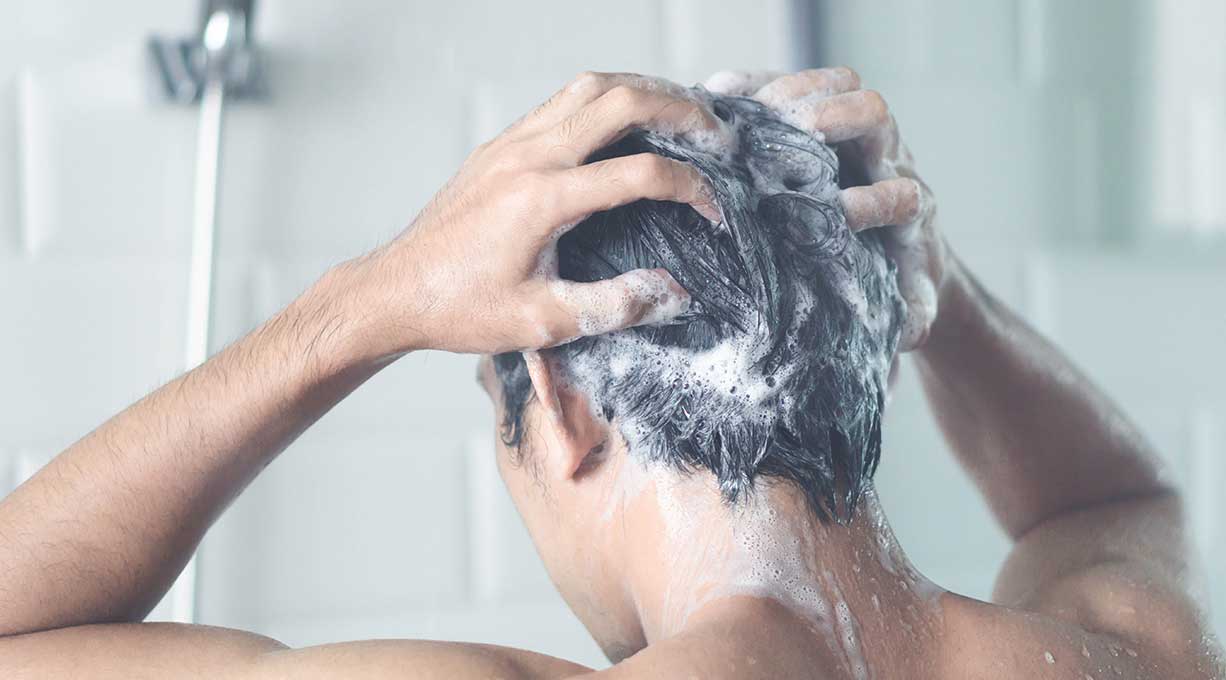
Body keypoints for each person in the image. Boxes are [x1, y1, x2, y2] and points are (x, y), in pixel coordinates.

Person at [0, 68, 1219, 679]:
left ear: (567, 407)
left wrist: (364, 303)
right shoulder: (1120, 647)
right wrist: (941, 294)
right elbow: (1106, 503)